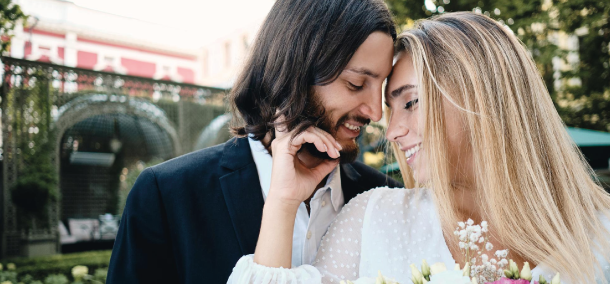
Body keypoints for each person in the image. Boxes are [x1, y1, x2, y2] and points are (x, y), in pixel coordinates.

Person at [228, 12, 610, 284]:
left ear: (483, 99)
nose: (391, 130)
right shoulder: (373, 219)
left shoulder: (600, 232)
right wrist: (282, 203)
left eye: (411, 102)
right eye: (392, 109)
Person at [106, 0, 402, 283]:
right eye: (356, 84)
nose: (376, 112)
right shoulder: (167, 196)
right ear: (294, 72)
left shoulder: (390, 201)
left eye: (382, 88)